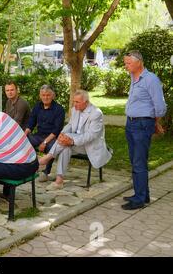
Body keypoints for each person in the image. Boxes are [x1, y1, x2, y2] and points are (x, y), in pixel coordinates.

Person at [38, 90, 112, 190]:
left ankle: (48, 157)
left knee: (67, 141)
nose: (74, 104)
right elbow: (70, 125)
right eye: (74, 101)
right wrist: (62, 134)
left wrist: (71, 141)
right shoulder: (75, 110)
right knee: (65, 147)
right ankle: (59, 181)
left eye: (77, 102)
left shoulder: (96, 113)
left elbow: (91, 135)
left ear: (86, 102)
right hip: (74, 143)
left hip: (89, 146)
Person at [121, 50, 166, 210]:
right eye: (125, 63)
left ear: (139, 62)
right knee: (135, 161)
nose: (126, 66)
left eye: (128, 63)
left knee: (139, 162)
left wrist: (154, 122)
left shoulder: (151, 79)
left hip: (142, 125)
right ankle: (142, 194)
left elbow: (160, 107)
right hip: (131, 124)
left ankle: (139, 199)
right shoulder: (134, 77)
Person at [24, 85, 65, 182]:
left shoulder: (59, 109)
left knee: (52, 147)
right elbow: (31, 123)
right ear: (40, 96)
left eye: (48, 95)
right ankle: (30, 167)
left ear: (53, 96)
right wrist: (24, 134)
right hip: (39, 135)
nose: (45, 97)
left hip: (52, 137)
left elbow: (56, 130)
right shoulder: (37, 106)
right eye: (43, 95)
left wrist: (45, 142)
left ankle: (46, 172)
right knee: (25, 141)